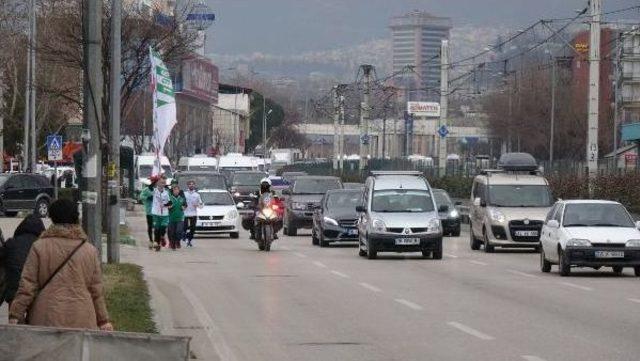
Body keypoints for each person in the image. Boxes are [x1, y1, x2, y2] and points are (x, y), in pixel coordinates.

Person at [8, 199, 112, 331]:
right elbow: (96, 290)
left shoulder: (39, 247)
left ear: (52, 218)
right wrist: (103, 320)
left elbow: (27, 285)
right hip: (82, 317)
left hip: (46, 317)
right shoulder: (89, 251)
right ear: (76, 218)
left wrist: (15, 314)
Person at [0, 215, 45, 307]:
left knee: (14, 316)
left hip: (14, 288)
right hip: (35, 290)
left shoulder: (12, 242)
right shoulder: (43, 245)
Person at [151, 176, 171, 251]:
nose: (163, 184)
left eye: (164, 183)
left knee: (162, 229)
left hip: (165, 214)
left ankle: (162, 237)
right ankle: (157, 243)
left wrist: (165, 205)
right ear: (158, 183)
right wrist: (155, 178)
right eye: (161, 182)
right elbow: (150, 186)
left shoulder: (167, 192)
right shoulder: (154, 190)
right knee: (156, 229)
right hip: (156, 213)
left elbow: (170, 202)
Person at [183, 180, 202, 247]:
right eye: (190, 184)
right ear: (187, 185)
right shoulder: (184, 194)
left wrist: (197, 205)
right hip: (185, 213)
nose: (191, 185)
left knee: (192, 228)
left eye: (192, 184)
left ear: (194, 185)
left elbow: (201, 205)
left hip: (193, 213)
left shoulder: (197, 195)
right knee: (184, 228)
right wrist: (182, 206)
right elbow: (181, 202)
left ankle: (190, 240)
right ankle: (185, 238)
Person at [139, 177, 156, 250]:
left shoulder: (157, 190)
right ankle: (151, 240)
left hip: (157, 212)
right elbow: (141, 196)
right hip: (149, 211)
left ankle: (156, 240)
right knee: (150, 226)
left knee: (157, 227)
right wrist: (147, 198)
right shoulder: (146, 190)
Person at [168, 184, 186, 250]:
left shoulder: (182, 198)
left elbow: (185, 205)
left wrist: (183, 207)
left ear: (179, 191)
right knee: (172, 232)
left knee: (179, 231)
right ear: (172, 191)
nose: (176, 191)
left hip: (180, 218)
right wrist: (169, 207)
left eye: (177, 190)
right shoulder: (169, 198)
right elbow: (166, 206)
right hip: (171, 218)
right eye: (174, 190)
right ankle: (173, 245)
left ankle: (177, 241)